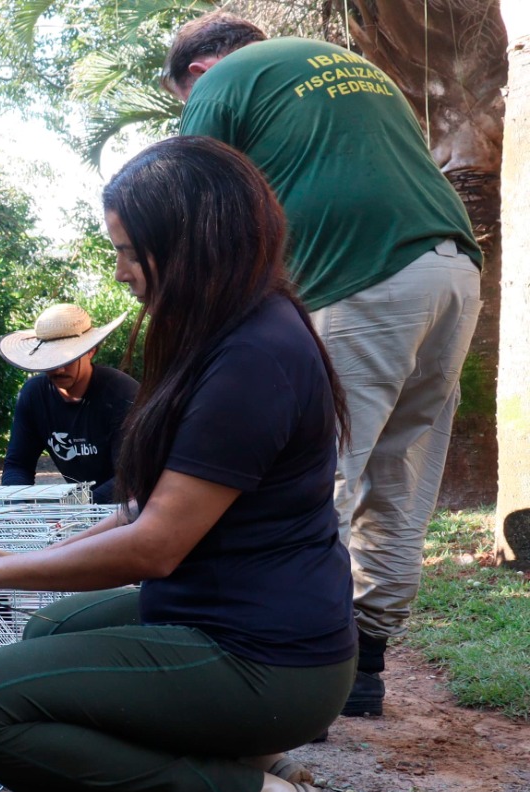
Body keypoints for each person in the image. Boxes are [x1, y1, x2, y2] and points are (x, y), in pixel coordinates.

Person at [0, 138, 355, 792]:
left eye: (129, 252)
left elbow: (155, 544)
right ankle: (245, 764)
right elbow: (140, 509)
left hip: (267, 658)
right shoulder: (220, 331)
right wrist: (32, 559)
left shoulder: (253, 355)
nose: (121, 273)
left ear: (191, 242)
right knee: (52, 631)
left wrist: (4, 574)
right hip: (225, 615)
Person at [165, 12, 483, 718]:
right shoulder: (351, 69)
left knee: (317, 477)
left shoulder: (223, 82)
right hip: (451, 269)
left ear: (197, 71)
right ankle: (366, 666)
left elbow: (190, 210)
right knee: (402, 475)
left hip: (360, 280)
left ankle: (295, 668)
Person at [0, 303, 138, 502]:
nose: (58, 369)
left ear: (91, 352)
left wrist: (73, 510)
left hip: (133, 507)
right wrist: (19, 506)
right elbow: (18, 465)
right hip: (83, 506)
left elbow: (130, 479)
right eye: (49, 359)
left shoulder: (122, 394)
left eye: (67, 358)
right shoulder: (34, 395)